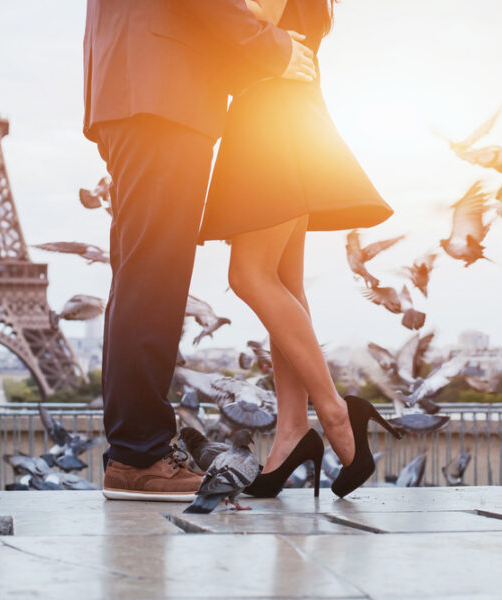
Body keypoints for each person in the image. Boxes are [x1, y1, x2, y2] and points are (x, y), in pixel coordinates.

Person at [83, 0, 318, 501]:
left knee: (144, 276)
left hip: (144, 85)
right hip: (161, 93)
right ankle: (138, 457)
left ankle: (136, 450)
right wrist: (269, 46)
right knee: (154, 279)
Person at [198, 0, 402, 499]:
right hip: (284, 113)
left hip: (273, 116)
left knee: (249, 276)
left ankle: (334, 411)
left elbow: (245, 26)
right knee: (283, 284)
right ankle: (292, 428)